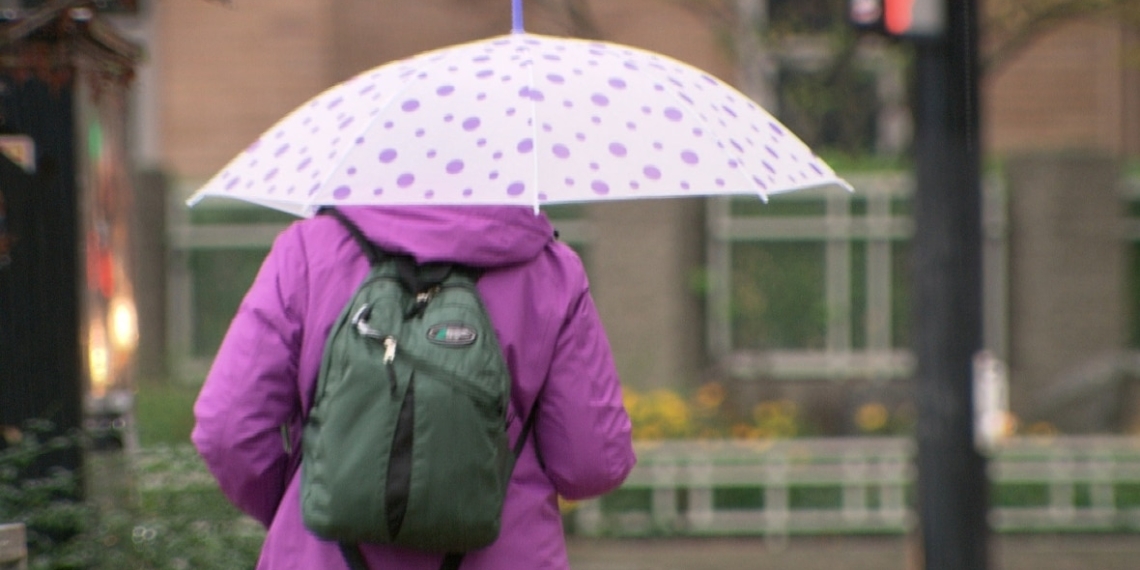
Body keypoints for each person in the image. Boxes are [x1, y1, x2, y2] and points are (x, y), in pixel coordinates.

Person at [192, 205, 636, 569]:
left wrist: (309, 499)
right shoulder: (551, 271)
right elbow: (593, 462)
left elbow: (227, 428)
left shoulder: (308, 250)